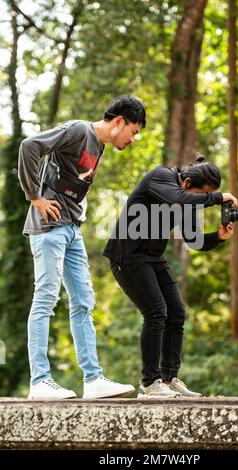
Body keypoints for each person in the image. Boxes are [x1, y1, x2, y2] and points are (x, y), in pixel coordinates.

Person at [18, 95, 146, 399]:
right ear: (119, 122)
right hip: (49, 227)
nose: (133, 139)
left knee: (84, 302)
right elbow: (29, 146)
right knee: (46, 297)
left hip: (71, 230)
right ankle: (39, 381)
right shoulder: (78, 130)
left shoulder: (98, 146)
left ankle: (93, 380)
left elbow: (72, 182)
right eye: (134, 132)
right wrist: (34, 196)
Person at [103, 155, 237, 398]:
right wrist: (219, 198)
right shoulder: (161, 176)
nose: (198, 202)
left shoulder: (186, 202)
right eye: (200, 195)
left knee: (176, 312)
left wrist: (218, 237)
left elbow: (194, 241)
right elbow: (179, 198)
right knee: (156, 312)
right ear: (186, 183)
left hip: (153, 258)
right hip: (128, 257)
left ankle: (168, 378)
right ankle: (149, 383)